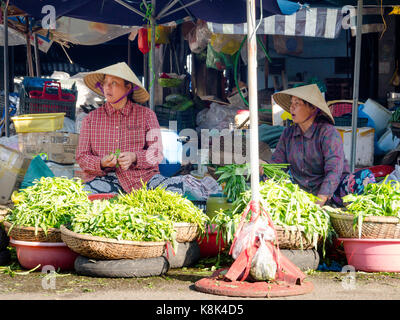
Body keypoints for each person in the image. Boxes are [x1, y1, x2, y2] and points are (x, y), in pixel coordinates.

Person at [267, 84, 375, 207]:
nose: (292, 108)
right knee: (267, 177)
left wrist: (319, 202)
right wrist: (264, 166)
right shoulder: (288, 133)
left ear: (313, 108)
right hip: (301, 192)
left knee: (365, 178)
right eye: (291, 103)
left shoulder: (328, 133)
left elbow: (334, 170)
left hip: (333, 192)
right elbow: (277, 165)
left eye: (297, 103)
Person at [76, 62, 163, 194]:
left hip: (143, 178)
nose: (107, 87)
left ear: (128, 88)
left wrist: (134, 157)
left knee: (175, 189)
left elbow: (157, 153)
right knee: (86, 194)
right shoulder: (90, 119)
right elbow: (82, 157)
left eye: (114, 83)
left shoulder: (146, 115)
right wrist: (102, 162)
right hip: (105, 180)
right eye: (105, 82)